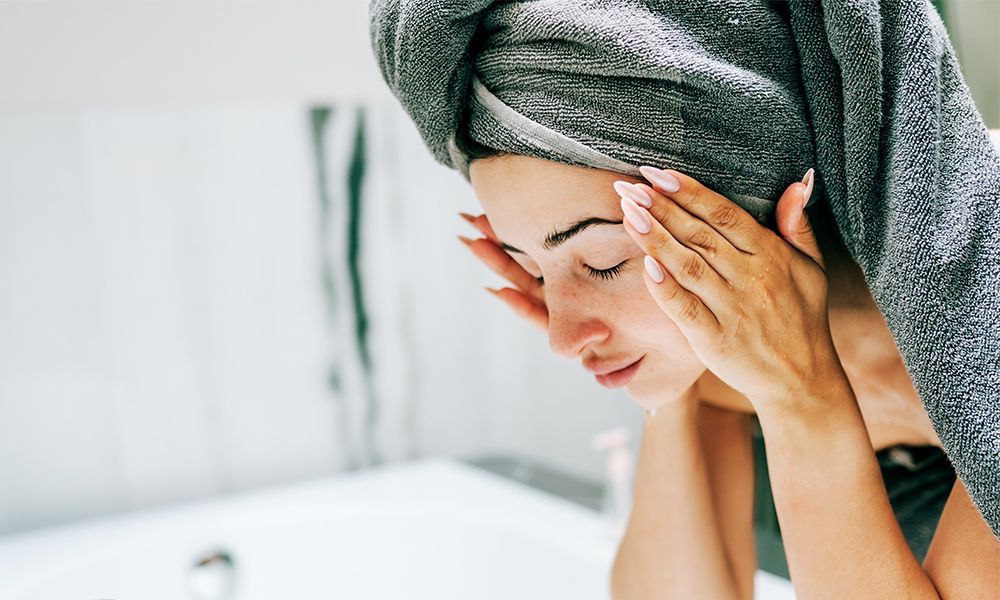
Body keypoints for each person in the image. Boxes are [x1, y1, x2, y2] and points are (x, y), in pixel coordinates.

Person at [454, 131, 1000, 597]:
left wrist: (800, 395)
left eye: (605, 262)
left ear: (754, 198)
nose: (560, 337)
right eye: (537, 272)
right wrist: (664, 384)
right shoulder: (723, 381)